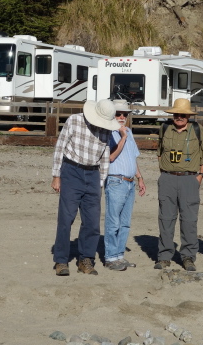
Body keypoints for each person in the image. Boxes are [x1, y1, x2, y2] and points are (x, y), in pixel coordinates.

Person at [51, 99, 121, 276]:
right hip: (71, 170)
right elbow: (60, 147)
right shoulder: (73, 120)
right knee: (66, 218)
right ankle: (61, 260)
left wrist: (100, 182)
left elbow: (105, 155)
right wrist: (56, 175)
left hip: (93, 173)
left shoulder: (106, 129)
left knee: (92, 221)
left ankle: (86, 259)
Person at [155, 98, 203, 271]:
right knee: (166, 219)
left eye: (183, 115)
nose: (179, 117)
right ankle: (164, 256)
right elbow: (159, 152)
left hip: (190, 179)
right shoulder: (164, 128)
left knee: (189, 220)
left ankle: (188, 256)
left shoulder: (197, 130)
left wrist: (200, 176)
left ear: (188, 116)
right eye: (177, 114)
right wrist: (165, 172)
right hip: (167, 179)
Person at [103, 99, 147, 271]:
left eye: (124, 114)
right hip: (115, 180)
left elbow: (132, 157)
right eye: (118, 114)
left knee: (125, 222)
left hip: (129, 182)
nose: (122, 117)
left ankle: (119, 255)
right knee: (113, 222)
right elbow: (111, 157)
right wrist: (122, 137)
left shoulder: (128, 131)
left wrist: (140, 177)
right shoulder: (108, 132)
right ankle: (110, 257)